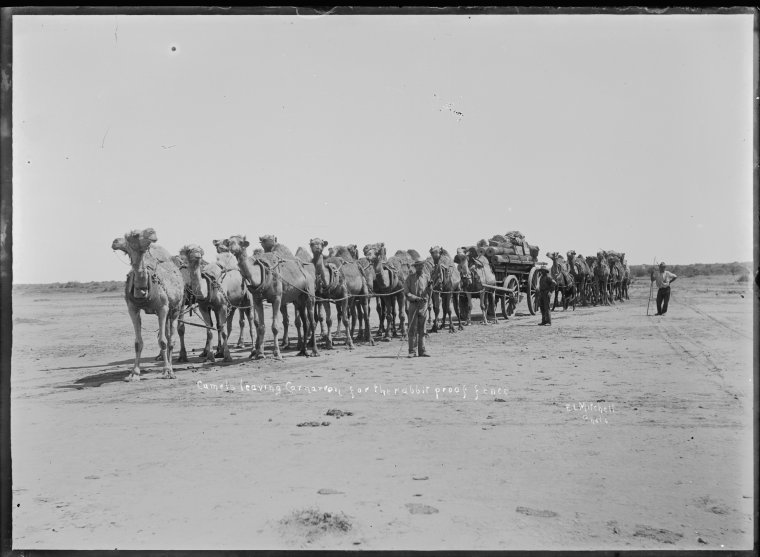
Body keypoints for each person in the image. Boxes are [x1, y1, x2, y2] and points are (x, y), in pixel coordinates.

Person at [405, 254, 431, 357]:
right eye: (418, 266)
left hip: (423, 307)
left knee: (423, 329)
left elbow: (429, 292)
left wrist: (430, 287)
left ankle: (422, 350)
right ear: (415, 267)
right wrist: (416, 298)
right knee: (412, 329)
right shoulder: (410, 278)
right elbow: (407, 293)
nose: (420, 267)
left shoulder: (426, 277)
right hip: (413, 306)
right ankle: (412, 351)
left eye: (422, 265)